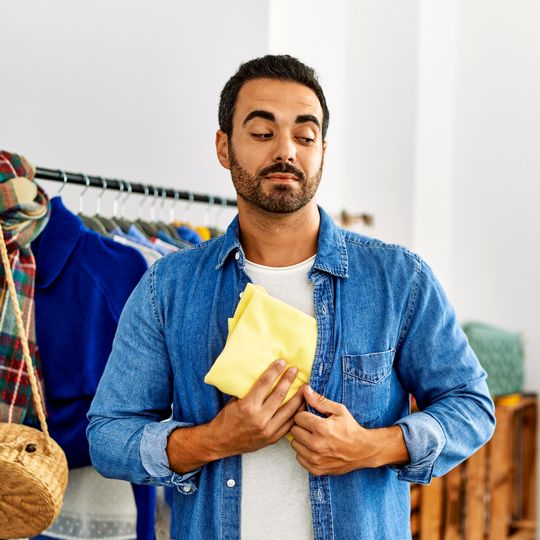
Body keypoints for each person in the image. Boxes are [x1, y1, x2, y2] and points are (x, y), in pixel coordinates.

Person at [87, 55, 496, 540]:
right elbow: (108, 437)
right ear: (224, 146)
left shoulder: (399, 279)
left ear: (322, 149)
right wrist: (214, 439)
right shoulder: (167, 287)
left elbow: (471, 406)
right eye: (262, 133)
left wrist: (372, 447)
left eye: (305, 136)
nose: (286, 151)